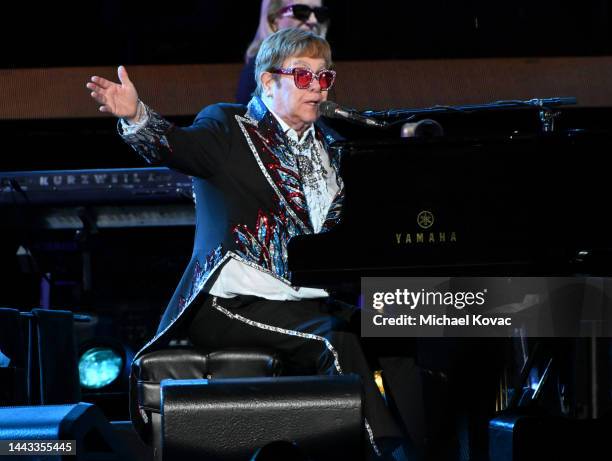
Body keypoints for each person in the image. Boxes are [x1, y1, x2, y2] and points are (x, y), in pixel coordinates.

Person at [86, 28, 410, 459]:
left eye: (324, 78)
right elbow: (178, 147)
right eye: (302, 76)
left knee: (407, 324)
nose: (316, 87)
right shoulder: (229, 126)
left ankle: (438, 443)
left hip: (306, 301)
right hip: (230, 302)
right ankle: (390, 453)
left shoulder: (332, 149)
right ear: (269, 82)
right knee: (337, 341)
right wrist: (138, 117)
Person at [236, 1, 330, 104]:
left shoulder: (326, 70)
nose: (313, 20)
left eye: (319, 13)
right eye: (301, 11)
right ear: (274, 20)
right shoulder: (258, 69)